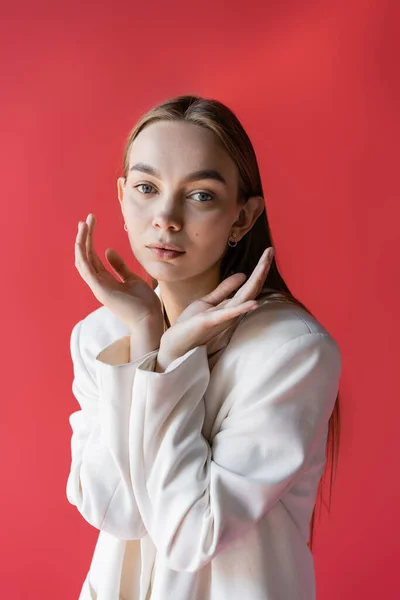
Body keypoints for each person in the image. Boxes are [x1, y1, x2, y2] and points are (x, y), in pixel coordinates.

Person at [66, 95, 342, 600]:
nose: (166, 217)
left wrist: (170, 366)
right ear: (123, 198)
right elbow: (116, 511)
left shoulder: (291, 352)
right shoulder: (101, 338)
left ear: (243, 217)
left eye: (201, 196)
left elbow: (192, 534)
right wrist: (147, 343)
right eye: (147, 188)